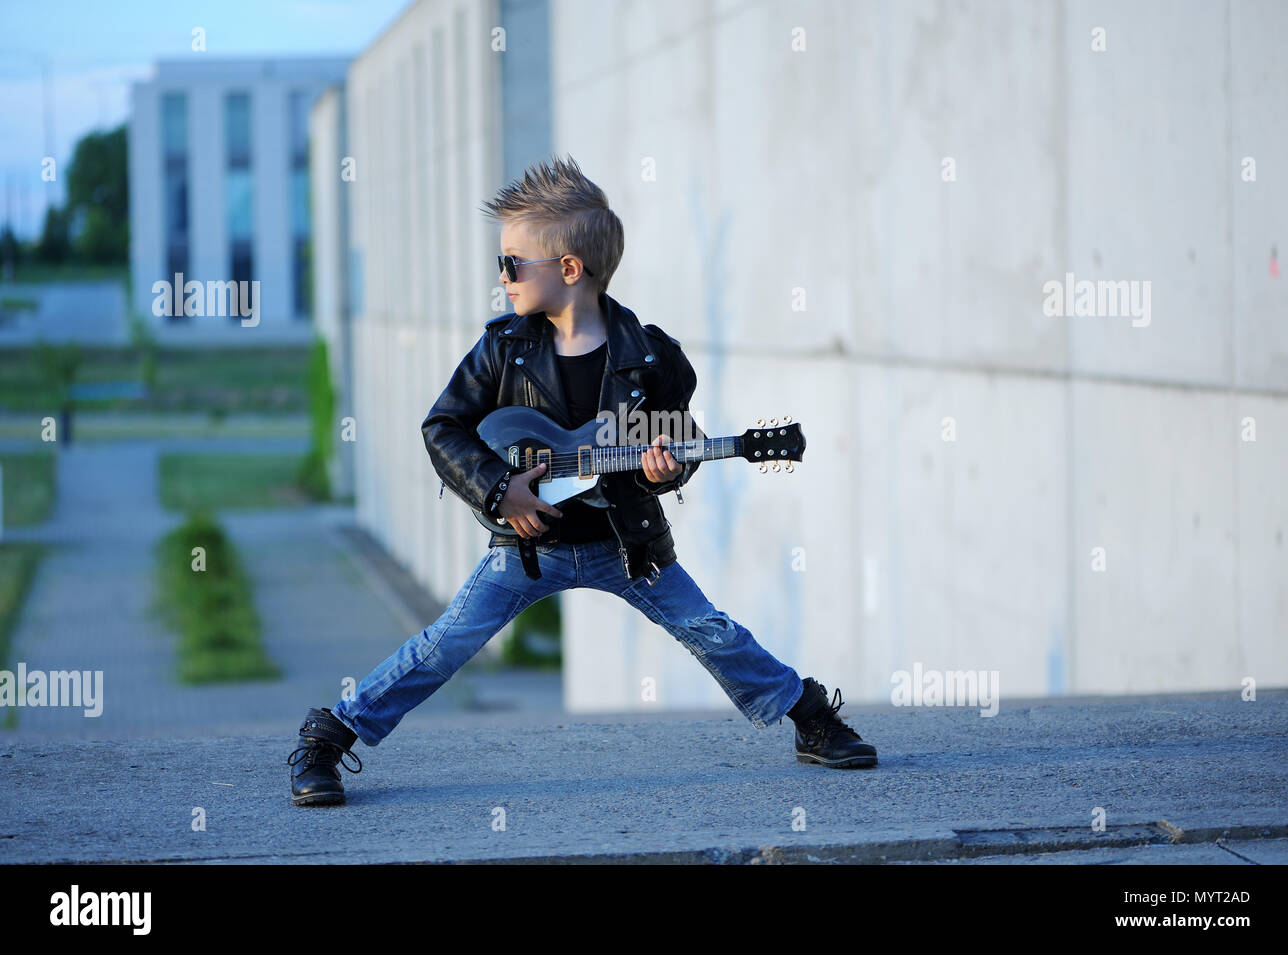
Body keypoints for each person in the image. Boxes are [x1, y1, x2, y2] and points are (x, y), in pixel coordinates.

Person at [288, 154, 876, 806]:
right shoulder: (502, 348)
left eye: (514, 263)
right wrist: (497, 490)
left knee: (709, 629)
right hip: (528, 547)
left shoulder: (650, 356)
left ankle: (811, 718)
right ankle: (327, 737)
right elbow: (443, 427)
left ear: (569, 270)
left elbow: (663, 452)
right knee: (444, 643)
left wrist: (663, 471)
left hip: (625, 544)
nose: (503, 275)